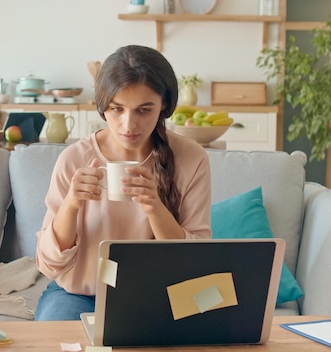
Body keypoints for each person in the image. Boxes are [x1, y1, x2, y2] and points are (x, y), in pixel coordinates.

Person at [33, 45, 212, 321]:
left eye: (143, 110)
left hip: (160, 295)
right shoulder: (74, 159)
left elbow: (194, 262)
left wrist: (155, 207)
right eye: (117, 109)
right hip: (79, 295)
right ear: (104, 107)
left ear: (163, 105)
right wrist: (70, 205)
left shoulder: (191, 159)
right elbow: (48, 263)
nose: (129, 125)